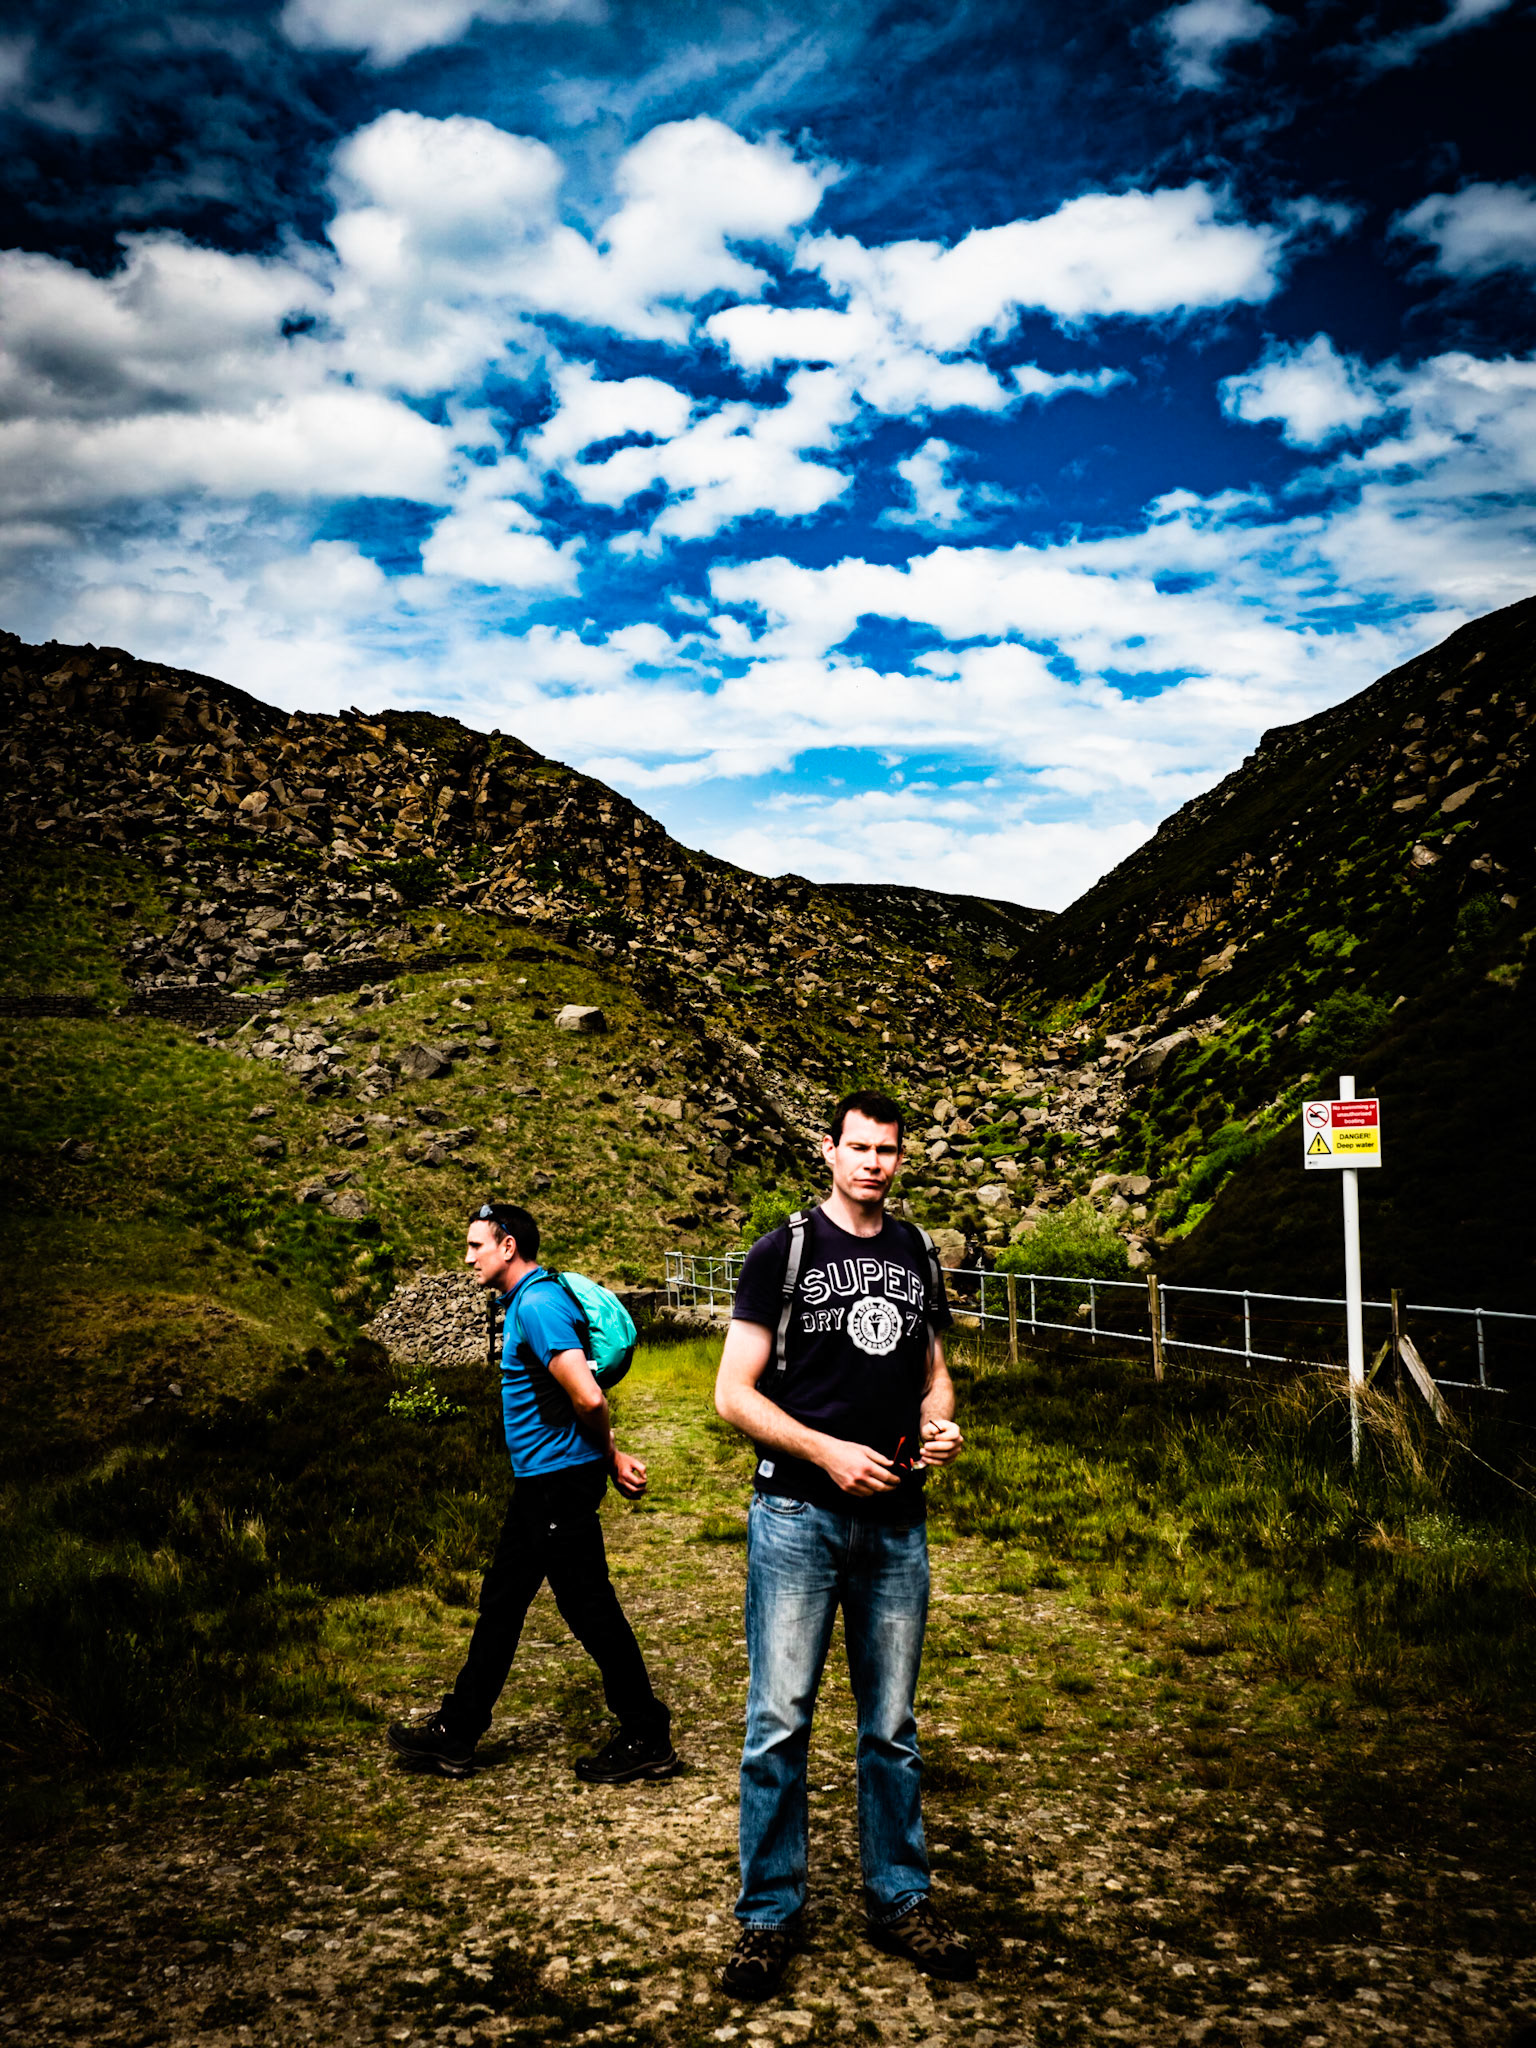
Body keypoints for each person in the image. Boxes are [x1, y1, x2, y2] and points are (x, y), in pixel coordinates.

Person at [713, 1092, 974, 2000]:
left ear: (901, 1159)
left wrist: (939, 1429)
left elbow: (935, 1379)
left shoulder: (916, 1252)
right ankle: (768, 1915)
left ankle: (900, 1899)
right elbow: (732, 1395)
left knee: (891, 1728)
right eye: (857, 1148)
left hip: (897, 1522)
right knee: (779, 1722)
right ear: (829, 1152)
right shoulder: (781, 1253)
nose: (872, 1163)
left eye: (887, 1151)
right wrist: (825, 1450)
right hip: (794, 1516)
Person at [387, 1202, 678, 1785]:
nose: (468, 1257)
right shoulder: (525, 1302)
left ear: (508, 1247)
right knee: (501, 1605)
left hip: (555, 1487)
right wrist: (611, 1455)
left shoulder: (540, 1305)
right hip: (542, 1486)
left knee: (589, 1609)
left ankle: (646, 1733)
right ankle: (457, 1733)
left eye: (476, 1246)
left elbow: (589, 1397)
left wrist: (607, 1454)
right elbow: (573, 1401)